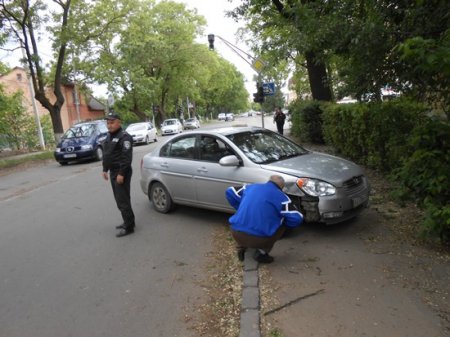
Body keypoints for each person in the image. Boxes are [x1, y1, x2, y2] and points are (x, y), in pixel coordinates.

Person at [225, 175, 303, 263]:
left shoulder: (250, 187)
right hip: (259, 239)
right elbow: (297, 218)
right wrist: (284, 223)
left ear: (268, 181)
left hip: (235, 232)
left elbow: (230, 191)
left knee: (244, 219)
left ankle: (241, 247)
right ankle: (262, 253)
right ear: (282, 186)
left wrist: (238, 207)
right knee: (281, 224)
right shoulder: (282, 197)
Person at [102, 113, 136, 237]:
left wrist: (121, 174)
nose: (109, 125)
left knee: (123, 200)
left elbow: (127, 158)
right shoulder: (109, 136)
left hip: (122, 172)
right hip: (113, 172)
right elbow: (107, 154)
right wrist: (105, 169)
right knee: (119, 199)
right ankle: (128, 221)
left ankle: (129, 227)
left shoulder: (125, 137)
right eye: (108, 123)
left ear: (119, 122)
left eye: (112, 122)